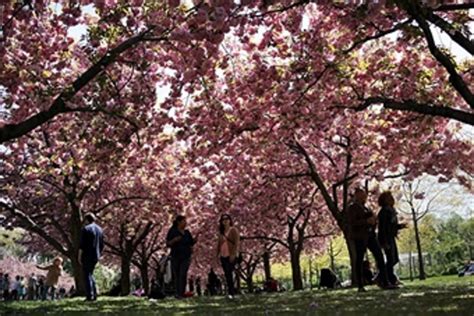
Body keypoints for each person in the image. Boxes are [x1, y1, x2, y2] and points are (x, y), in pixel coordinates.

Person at [347, 188, 394, 292]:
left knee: (380, 256)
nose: (365, 197)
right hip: (359, 236)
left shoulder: (366, 207)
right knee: (359, 259)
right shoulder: (352, 208)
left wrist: (373, 222)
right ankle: (360, 285)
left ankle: (385, 282)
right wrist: (366, 221)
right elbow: (352, 222)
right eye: (362, 195)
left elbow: (372, 219)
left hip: (370, 236)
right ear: (357, 195)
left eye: (365, 195)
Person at [378, 191, 407, 286]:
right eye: (389, 198)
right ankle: (386, 279)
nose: (392, 199)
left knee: (394, 259)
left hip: (390, 237)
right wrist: (384, 241)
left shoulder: (390, 211)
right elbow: (383, 228)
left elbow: (391, 226)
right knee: (391, 259)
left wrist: (399, 226)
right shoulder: (384, 212)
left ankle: (385, 278)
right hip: (386, 238)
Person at [166, 215, 197, 299]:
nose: (185, 223)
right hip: (175, 255)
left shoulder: (187, 232)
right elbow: (168, 244)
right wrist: (175, 240)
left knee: (183, 274)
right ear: (178, 222)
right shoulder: (172, 231)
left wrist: (194, 240)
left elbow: (191, 243)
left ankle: (181, 293)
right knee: (177, 275)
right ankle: (177, 293)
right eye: (184, 221)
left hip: (186, 256)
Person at [79, 213, 104, 301]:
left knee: (86, 275)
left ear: (86, 220)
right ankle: (94, 294)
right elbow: (101, 245)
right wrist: (99, 254)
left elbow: (82, 245)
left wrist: (79, 256)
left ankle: (90, 295)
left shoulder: (85, 229)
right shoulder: (100, 230)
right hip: (96, 255)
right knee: (90, 274)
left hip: (87, 254)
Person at [216, 214, 240, 299]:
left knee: (230, 273)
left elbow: (237, 243)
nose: (225, 221)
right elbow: (218, 245)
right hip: (223, 255)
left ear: (230, 220)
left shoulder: (233, 230)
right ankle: (230, 292)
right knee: (227, 274)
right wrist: (216, 255)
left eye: (227, 219)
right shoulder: (221, 233)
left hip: (231, 254)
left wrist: (233, 254)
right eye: (223, 219)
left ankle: (232, 292)